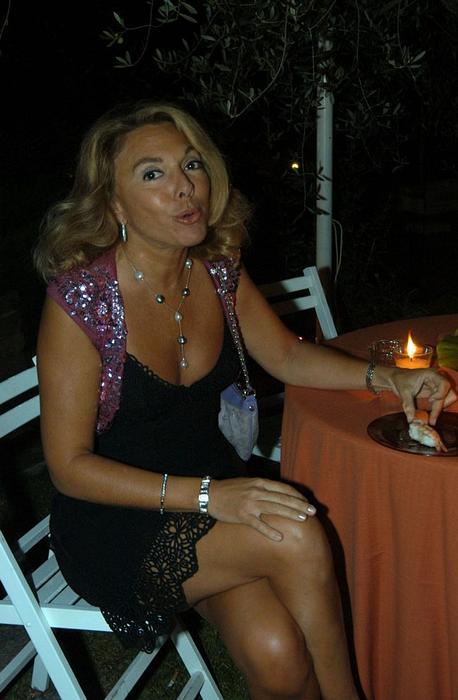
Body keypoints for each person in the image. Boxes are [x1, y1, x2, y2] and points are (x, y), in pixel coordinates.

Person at [34, 100, 456, 700]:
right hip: (119, 518)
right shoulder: (82, 302)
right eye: (153, 174)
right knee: (296, 530)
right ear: (114, 204)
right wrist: (212, 495)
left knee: (279, 658)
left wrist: (388, 378)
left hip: (217, 495)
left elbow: (284, 356)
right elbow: (69, 468)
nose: (185, 187)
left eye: (191, 165)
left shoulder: (216, 268)